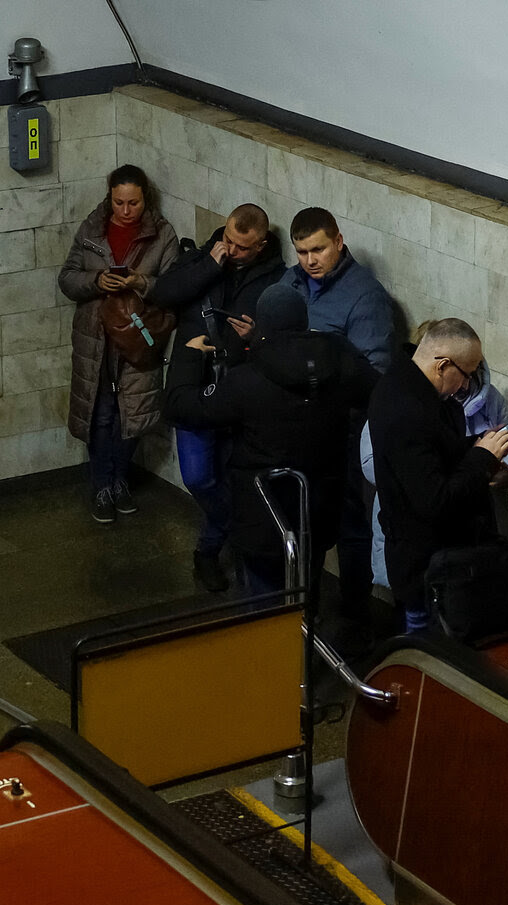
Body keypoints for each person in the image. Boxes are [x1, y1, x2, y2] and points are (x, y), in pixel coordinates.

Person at [162, 284, 379, 598]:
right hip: (318, 508)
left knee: (264, 604)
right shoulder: (340, 360)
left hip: (262, 514)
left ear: (261, 326)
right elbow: (378, 390)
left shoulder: (246, 380)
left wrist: (187, 357)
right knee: (307, 589)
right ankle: (306, 637)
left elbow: (185, 407)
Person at [149, 204, 285, 591]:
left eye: (241, 247)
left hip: (236, 392)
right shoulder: (202, 257)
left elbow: (279, 336)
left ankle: (209, 550)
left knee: (231, 475)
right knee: (198, 476)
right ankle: (241, 533)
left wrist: (253, 338)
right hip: (191, 386)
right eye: (227, 239)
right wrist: (210, 264)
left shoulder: (274, 279)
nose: (232, 249)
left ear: (259, 246)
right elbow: (164, 293)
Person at [281, 207, 396, 621]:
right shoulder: (291, 281)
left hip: (344, 430)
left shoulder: (365, 298)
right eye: (302, 252)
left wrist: (322, 364)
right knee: (303, 521)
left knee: (351, 525)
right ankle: (301, 608)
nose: (310, 260)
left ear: (339, 242)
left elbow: (376, 374)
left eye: (318, 249)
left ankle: (354, 613)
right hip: (298, 425)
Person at [361, 320, 508, 599]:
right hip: (428, 569)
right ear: (442, 366)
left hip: (432, 560)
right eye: (466, 374)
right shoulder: (408, 411)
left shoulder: (402, 384)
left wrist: (477, 445)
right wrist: (481, 457)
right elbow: (435, 500)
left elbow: (433, 450)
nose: (465, 385)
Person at [58, 164, 178, 523]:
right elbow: (67, 279)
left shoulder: (162, 235)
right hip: (96, 338)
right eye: (119, 203)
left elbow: (173, 287)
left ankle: (119, 480)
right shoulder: (92, 230)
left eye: (134, 203)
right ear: (109, 197)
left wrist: (141, 282)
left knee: (133, 416)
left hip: (137, 339)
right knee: (101, 414)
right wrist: (98, 280)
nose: (126, 211)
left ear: (146, 199)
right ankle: (101, 486)